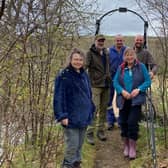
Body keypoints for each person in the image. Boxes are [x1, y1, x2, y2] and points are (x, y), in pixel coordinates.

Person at [53, 48, 95, 168]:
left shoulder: (84, 74)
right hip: (70, 118)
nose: (78, 62)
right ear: (70, 59)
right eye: (76, 59)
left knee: (79, 145)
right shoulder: (64, 75)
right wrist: (62, 115)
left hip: (84, 117)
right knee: (72, 145)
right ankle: (67, 165)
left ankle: (76, 164)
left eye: (80, 60)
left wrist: (91, 108)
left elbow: (88, 94)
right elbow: (58, 97)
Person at [113, 48, 151, 159]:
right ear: (124, 57)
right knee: (123, 123)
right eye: (127, 55)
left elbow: (147, 81)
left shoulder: (141, 67)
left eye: (131, 55)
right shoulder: (121, 68)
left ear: (135, 56)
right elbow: (115, 82)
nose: (129, 57)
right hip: (123, 100)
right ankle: (126, 146)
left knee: (132, 123)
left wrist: (138, 89)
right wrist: (122, 91)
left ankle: (133, 147)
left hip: (136, 101)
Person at [85, 34, 111, 145]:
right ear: (95, 41)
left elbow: (108, 66)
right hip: (95, 85)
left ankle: (100, 131)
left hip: (106, 84)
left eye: (102, 41)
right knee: (93, 109)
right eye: (99, 40)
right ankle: (89, 132)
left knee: (104, 109)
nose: (101, 42)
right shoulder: (90, 53)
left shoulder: (105, 52)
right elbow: (85, 66)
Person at [107, 34, 127, 130]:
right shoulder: (109, 51)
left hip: (123, 79)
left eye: (121, 40)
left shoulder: (126, 50)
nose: (119, 42)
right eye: (117, 40)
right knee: (110, 100)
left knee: (122, 100)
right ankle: (110, 121)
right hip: (111, 78)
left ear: (123, 41)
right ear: (114, 41)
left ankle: (120, 121)